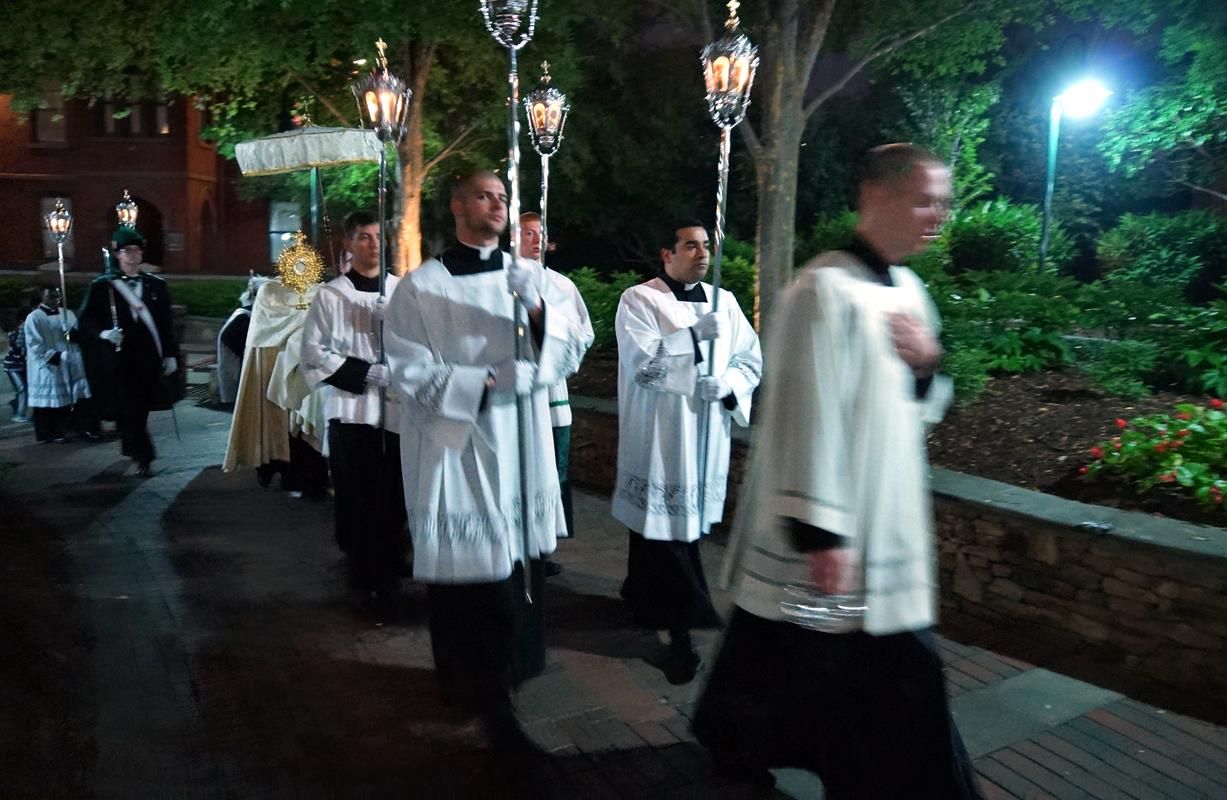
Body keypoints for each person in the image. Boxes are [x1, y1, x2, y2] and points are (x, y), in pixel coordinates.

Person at [692, 144, 981, 799]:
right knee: (880, 678)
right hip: (835, 531)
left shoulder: (910, 292)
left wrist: (928, 366)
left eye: (943, 201)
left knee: (785, 655)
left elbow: (912, 414)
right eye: (924, 198)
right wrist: (820, 532)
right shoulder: (820, 290)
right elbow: (802, 411)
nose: (938, 213)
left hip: (886, 519)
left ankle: (733, 738)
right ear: (875, 197)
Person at [383, 171, 590, 755]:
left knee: (518, 566)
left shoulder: (528, 279)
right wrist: (490, 379)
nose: (497, 205)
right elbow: (409, 369)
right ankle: (467, 680)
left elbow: (571, 350)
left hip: (522, 440)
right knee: (471, 573)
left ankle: (517, 666)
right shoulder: (420, 287)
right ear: (455, 206)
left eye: (503, 198)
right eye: (484, 196)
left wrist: (539, 309)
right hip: (461, 444)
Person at [612, 220, 762, 684]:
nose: (701, 254)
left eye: (706, 245)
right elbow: (644, 365)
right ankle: (682, 630)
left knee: (670, 528)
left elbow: (749, 359)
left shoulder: (727, 303)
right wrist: (693, 337)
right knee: (669, 529)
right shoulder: (639, 300)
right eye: (690, 246)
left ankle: (641, 594)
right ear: (667, 254)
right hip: (660, 432)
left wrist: (730, 384)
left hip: (705, 431)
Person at [301, 210, 406, 615]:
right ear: (349, 243)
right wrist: (362, 372)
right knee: (358, 498)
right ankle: (364, 574)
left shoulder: (403, 291)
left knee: (391, 496)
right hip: (351, 411)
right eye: (363, 236)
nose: (373, 244)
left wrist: (394, 329)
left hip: (395, 411)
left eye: (379, 236)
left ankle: (391, 571)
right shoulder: (330, 296)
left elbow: (426, 347)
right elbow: (313, 353)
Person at [518, 211, 594, 577]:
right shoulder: (498, 280)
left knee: (554, 473)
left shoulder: (562, 286)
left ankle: (543, 546)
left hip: (551, 396)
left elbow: (582, 335)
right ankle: (518, 543)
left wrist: (547, 321)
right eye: (527, 232)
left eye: (540, 233)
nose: (535, 240)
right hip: (514, 395)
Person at [77, 227, 179, 477]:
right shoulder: (103, 286)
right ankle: (144, 455)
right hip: (118, 359)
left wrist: (170, 354)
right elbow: (85, 321)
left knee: (139, 409)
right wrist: (104, 334)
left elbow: (166, 323)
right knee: (129, 408)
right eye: (127, 250)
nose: (133, 255)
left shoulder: (156, 285)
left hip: (147, 358)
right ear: (118, 254)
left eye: (137, 250)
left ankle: (132, 448)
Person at [224, 273, 327, 497]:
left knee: (302, 431)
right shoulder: (270, 295)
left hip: (307, 374)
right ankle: (278, 470)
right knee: (282, 427)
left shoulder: (323, 294)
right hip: (274, 371)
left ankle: (308, 479)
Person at [23, 287, 99, 443]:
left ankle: (76, 428)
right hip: (48, 366)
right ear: (42, 298)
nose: (55, 299)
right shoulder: (34, 317)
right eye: (50, 296)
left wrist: (70, 332)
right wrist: (56, 356)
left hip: (70, 362)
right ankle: (47, 433)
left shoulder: (67, 314)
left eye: (57, 296)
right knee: (48, 402)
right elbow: (34, 343)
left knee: (72, 398)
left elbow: (78, 337)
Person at [4, 296, 35, 423]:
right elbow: (20, 345)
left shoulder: (20, 327)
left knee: (24, 388)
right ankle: (19, 413)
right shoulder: (23, 327)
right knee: (22, 388)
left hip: (18, 363)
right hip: (14, 364)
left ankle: (18, 408)